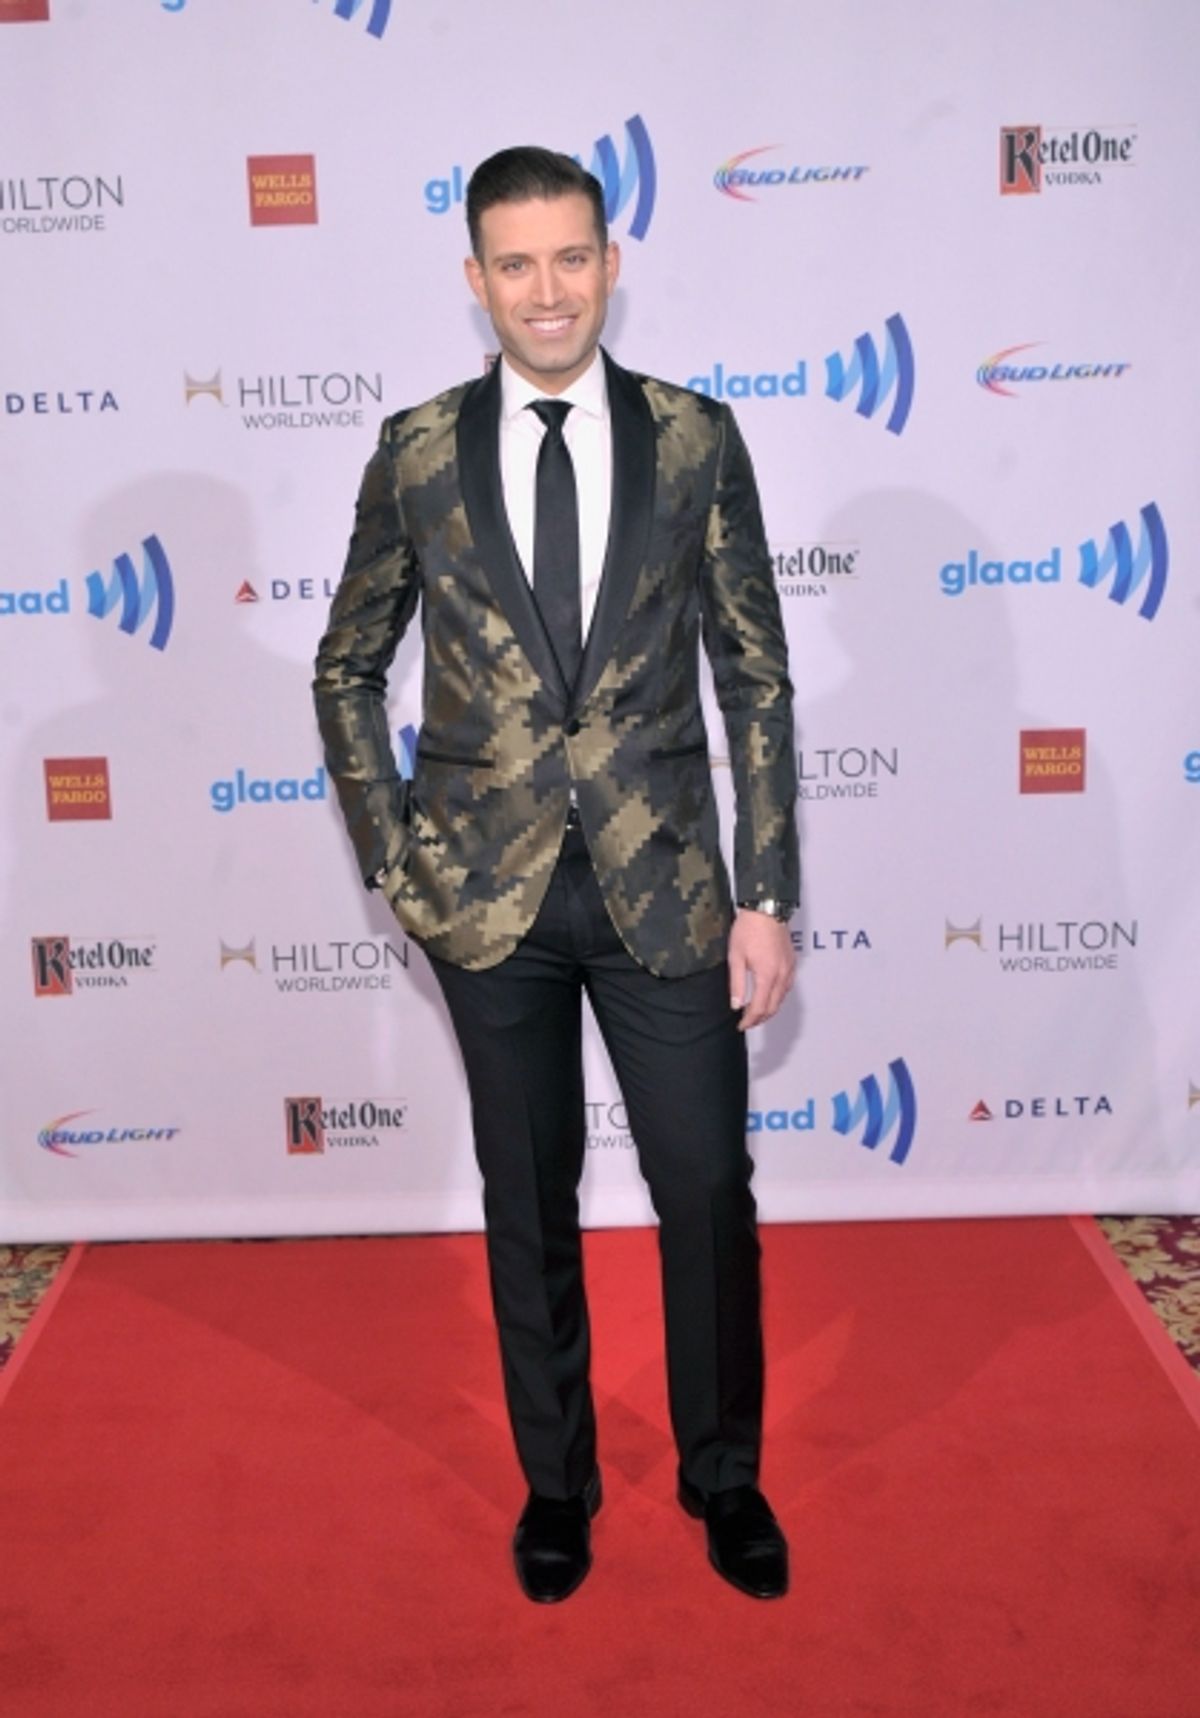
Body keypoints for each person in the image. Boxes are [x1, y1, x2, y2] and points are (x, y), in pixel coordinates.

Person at [313, 146, 799, 1604]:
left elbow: (756, 678)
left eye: (570, 258)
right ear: (475, 281)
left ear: (611, 260)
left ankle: (725, 1474)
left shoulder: (698, 438)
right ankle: (557, 1482)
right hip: (486, 899)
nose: (546, 290)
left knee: (706, 1184)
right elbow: (346, 664)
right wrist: (396, 856)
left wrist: (766, 889)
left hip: (668, 892)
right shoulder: (415, 450)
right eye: (515, 264)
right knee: (526, 1194)